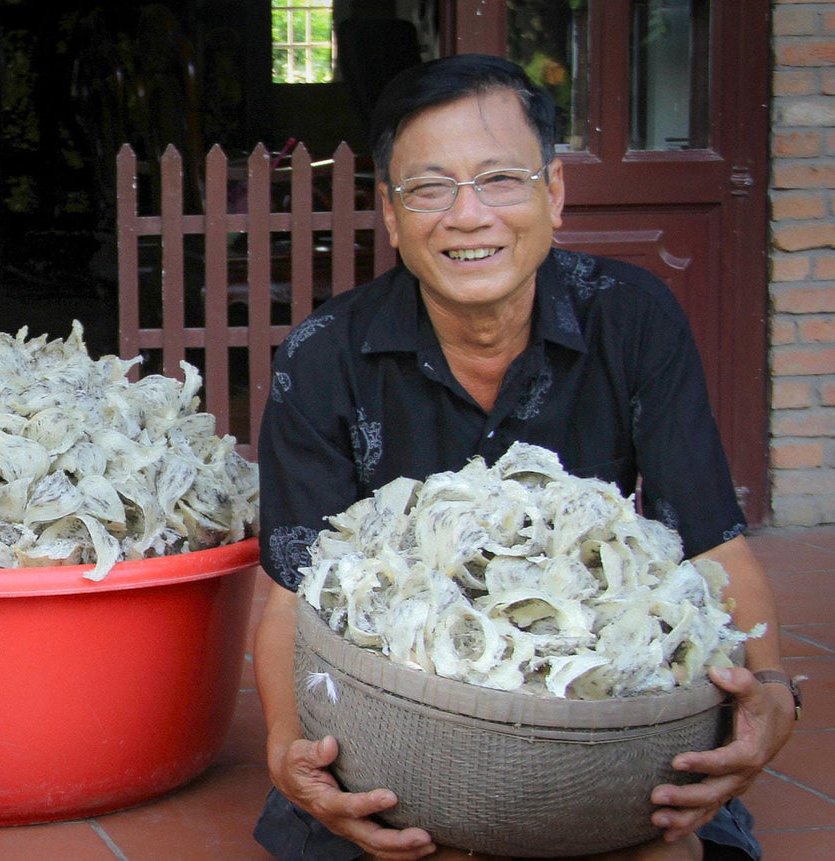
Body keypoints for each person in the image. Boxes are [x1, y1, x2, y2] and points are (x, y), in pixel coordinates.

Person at [252, 54, 796, 861]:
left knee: (665, 847)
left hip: (585, 708)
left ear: (554, 193)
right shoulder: (324, 358)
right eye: (429, 188)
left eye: (500, 179)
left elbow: (710, 537)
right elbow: (292, 590)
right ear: (392, 216)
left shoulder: (631, 318)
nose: (467, 216)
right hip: (402, 717)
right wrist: (285, 751)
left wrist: (774, 689)